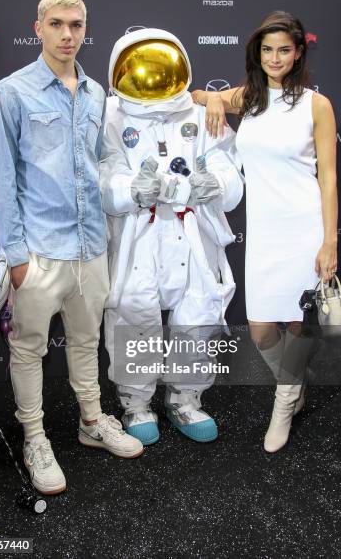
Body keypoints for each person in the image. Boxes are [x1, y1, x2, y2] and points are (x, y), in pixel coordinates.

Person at [0, 0, 143, 496]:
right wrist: (13, 256)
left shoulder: (97, 94)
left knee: (85, 340)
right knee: (28, 349)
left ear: (85, 28)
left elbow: (100, 166)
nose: (68, 34)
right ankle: (34, 437)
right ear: (38, 27)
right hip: (38, 251)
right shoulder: (13, 91)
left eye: (76, 24)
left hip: (90, 247)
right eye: (57, 24)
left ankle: (92, 420)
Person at [192, 11, 338, 452]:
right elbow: (196, 94)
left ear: (298, 54)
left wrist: (330, 241)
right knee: (260, 330)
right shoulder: (250, 97)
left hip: (304, 225)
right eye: (267, 49)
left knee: (297, 322)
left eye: (284, 50)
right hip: (264, 231)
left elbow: (329, 177)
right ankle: (293, 381)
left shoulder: (316, 104)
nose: (275, 58)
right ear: (258, 53)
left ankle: (284, 400)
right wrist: (215, 100)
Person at [100, 28, 244, 445]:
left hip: (191, 230)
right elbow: (103, 172)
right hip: (138, 233)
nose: (152, 79)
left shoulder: (200, 113)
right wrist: (129, 189)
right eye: (140, 71)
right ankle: (136, 404)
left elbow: (229, 166)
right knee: (133, 311)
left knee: (197, 315)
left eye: (163, 69)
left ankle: (186, 398)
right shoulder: (111, 116)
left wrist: (214, 184)